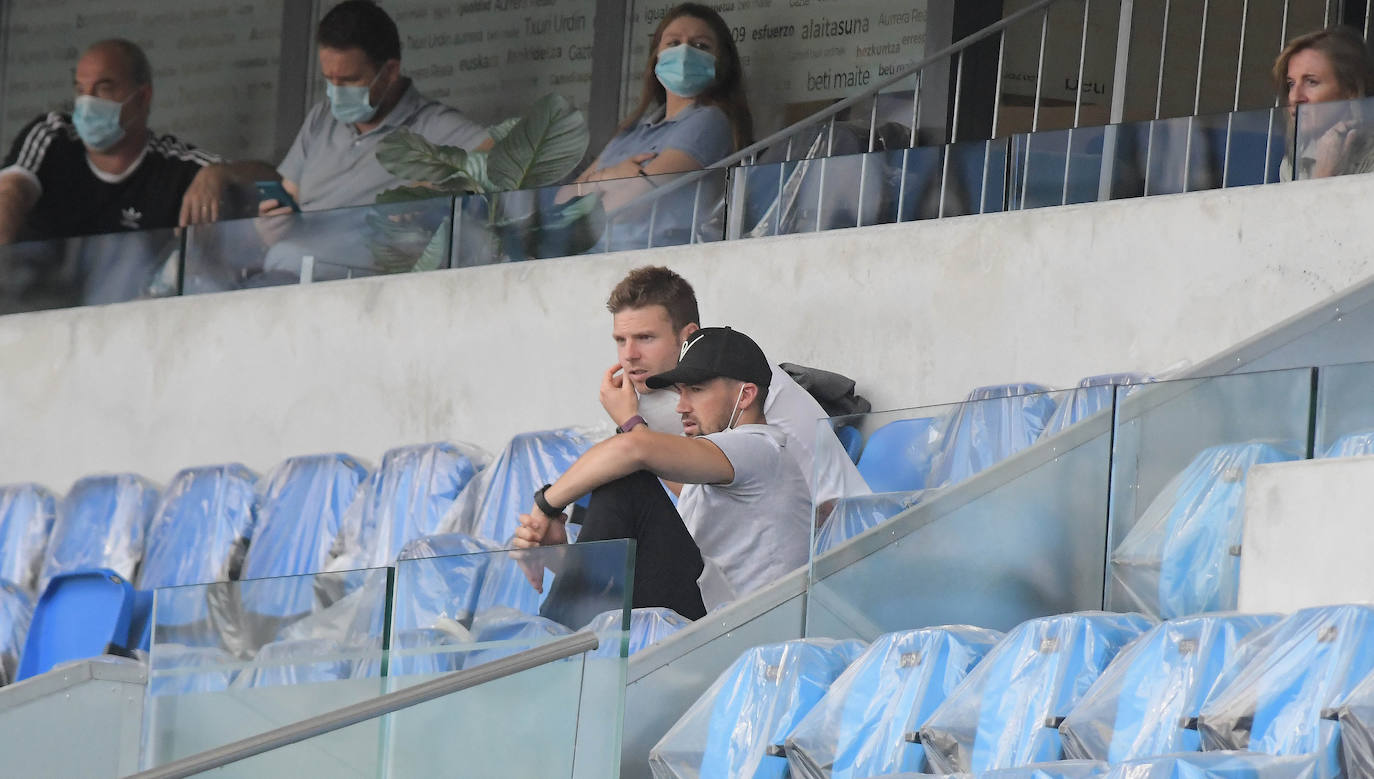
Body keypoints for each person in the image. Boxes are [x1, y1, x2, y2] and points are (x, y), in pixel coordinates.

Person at [515, 327, 812, 619]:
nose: (681, 407)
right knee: (629, 482)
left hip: (744, 634)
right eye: (679, 392)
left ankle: (553, 651)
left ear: (745, 395)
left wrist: (545, 506)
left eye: (695, 390)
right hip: (716, 623)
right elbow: (650, 564)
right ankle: (559, 645)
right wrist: (563, 557)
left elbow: (635, 450)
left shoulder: (760, 447)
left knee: (629, 483)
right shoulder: (716, 469)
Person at [602, 266, 870, 515]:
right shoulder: (662, 392)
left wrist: (633, 428)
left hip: (832, 537)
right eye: (620, 341)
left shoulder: (737, 378)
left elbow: (705, 499)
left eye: (645, 338)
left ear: (688, 335)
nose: (629, 355)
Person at [0, 39, 258, 246]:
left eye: (103, 89)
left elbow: (274, 182)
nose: (87, 102)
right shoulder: (54, 136)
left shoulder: (172, 168)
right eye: (80, 90)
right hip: (40, 303)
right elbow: (10, 192)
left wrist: (220, 174)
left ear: (143, 97)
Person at [261, 0, 489, 216]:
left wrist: (432, 188)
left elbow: (502, 153)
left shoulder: (430, 124)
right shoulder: (321, 118)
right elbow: (289, 195)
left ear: (390, 71)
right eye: (329, 79)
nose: (336, 91)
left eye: (350, 80)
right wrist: (273, 225)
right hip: (296, 254)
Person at [564, 3, 753, 222]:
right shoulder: (632, 131)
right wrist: (609, 177)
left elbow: (626, 208)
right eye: (673, 43)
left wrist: (592, 187)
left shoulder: (710, 121)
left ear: (722, 62)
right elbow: (561, 201)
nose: (684, 52)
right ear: (656, 57)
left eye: (701, 45)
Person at [1273, 26, 1374, 180]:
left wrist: (1325, 174)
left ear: (1350, 91)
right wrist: (1324, 171)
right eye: (1291, 84)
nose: (1295, 97)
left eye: (1311, 82)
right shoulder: (1294, 162)